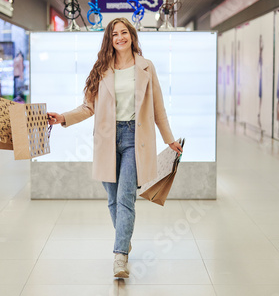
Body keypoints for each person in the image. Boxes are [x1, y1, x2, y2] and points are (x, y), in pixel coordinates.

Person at [47, 17, 183, 279]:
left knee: (125, 198)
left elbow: (158, 108)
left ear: (132, 36)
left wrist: (169, 139)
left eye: (124, 33)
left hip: (136, 139)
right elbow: (88, 107)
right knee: (112, 199)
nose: (119, 37)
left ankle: (120, 256)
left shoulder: (146, 67)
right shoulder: (102, 69)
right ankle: (125, 236)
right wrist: (62, 117)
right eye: (114, 34)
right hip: (107, 140)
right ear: (109, 40)